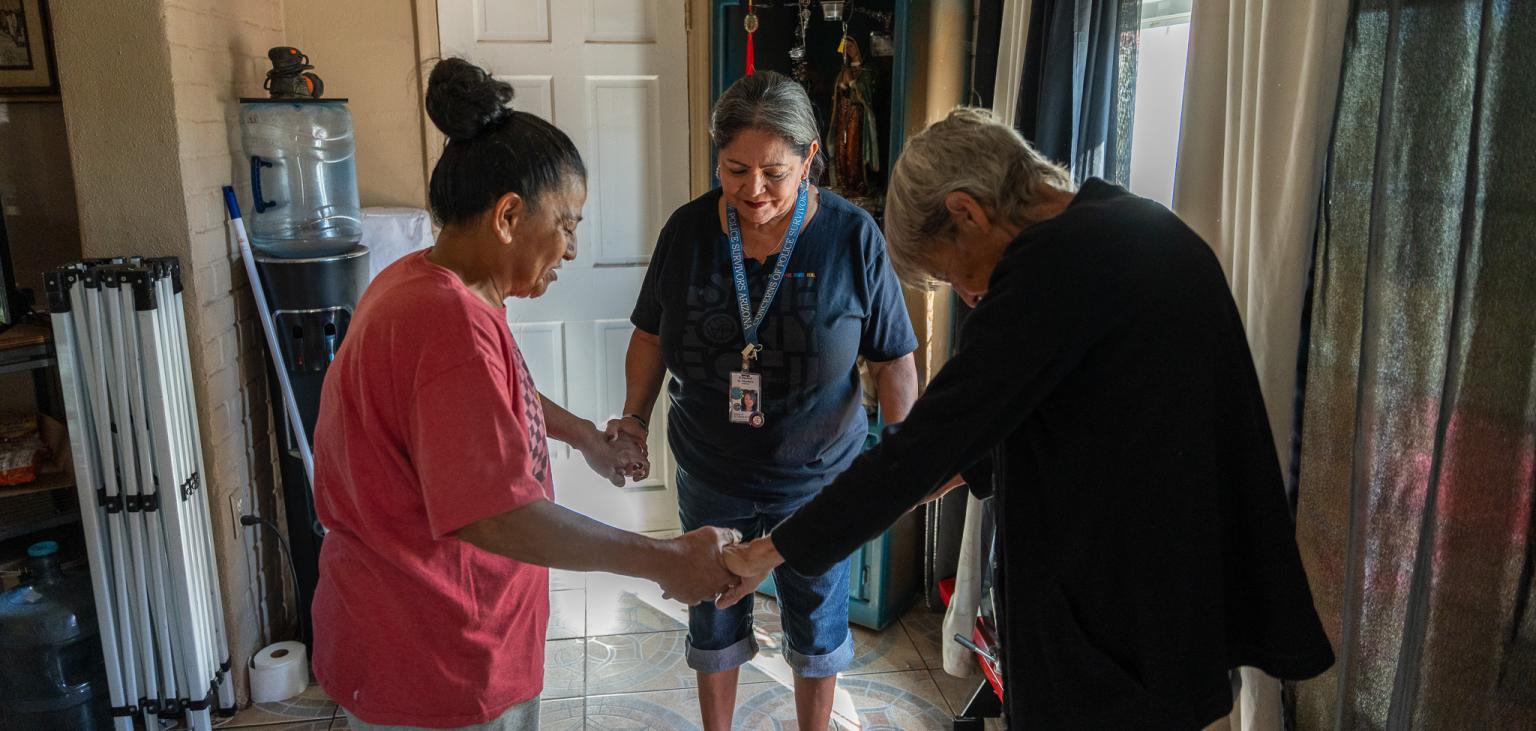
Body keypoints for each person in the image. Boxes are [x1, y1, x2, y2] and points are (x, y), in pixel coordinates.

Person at [717, 108, 1336, 729]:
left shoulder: (1052, 271)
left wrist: (767, 552)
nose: (964, 294)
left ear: (966, 213)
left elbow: (926, 447)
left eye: (948, 271)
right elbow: (1023, 429)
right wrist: (914, 483)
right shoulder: (1141, 226)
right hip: (1182, 603)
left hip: (1114, 620)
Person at [309, 59, 738, 731]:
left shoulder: (430, 284)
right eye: (566, 224)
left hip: (437, 635)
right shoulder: (441, 321)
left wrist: (585, 439)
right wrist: (663, 560)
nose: (571, 248)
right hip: (437, 660)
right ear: (508, 214)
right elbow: (497, 514)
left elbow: (495, 399)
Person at [604, 71, 919, 731]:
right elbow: (650, 332)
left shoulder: (852, 236)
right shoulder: (689, 231)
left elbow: (894, 360)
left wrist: (900, 461)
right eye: (734, 169)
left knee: (817, 619)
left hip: (819, 478)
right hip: (712, 470)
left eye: (775, 172)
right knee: (713, 610)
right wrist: (633, 415)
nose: (753, 190)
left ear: (810, 158)